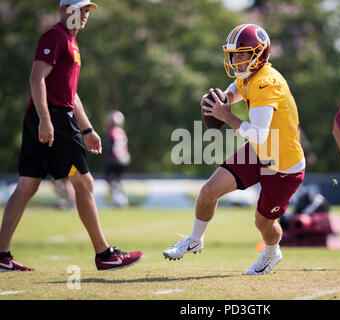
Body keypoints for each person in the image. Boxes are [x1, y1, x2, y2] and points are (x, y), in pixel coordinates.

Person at [0, 0, 142, 272]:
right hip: (52, 118)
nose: (85, 16)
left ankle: (1, 255)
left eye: (87, 11)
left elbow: (70, 92)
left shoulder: (71, 42)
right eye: (80, 10)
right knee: (85, 183)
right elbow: (36, 79)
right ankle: (105, 255)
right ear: (65, 10)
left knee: (28, 185)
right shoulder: (55, 36)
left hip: (52, 117)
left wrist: (87, 129)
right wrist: (45, 120)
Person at [163, 24, 306, 275]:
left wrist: (225, 116)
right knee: (208, 191)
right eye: (234, 54)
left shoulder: (266, 82)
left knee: (263, 222)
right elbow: (232, 92)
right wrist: (217, 103)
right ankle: (195, 239)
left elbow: (260, 134)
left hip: (283, 164)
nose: (236, 60)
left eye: (242, 54)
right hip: (261, 151)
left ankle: (272, 253)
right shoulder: (249, 75)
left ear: (259, 54)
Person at [104, 110, 131, 208]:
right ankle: (123, 198)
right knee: (118, 180)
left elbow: (110, 148)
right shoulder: (122, 132)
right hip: (125, 159)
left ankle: (119, 199)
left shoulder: (111, 132)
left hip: (115, 159)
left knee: (109, 178)